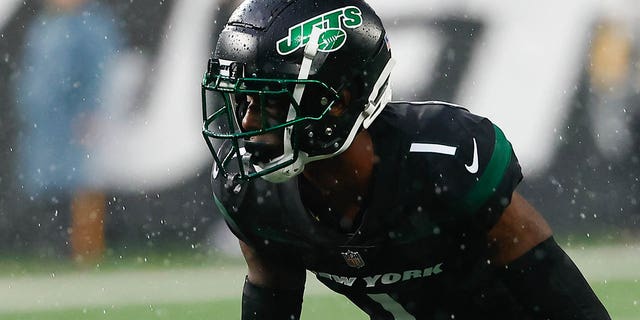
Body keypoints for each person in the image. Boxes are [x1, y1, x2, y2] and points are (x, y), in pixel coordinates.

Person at [200, 0, 611, 318]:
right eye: (243, 99)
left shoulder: (439, 159)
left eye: (270, 101)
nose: (249, 120)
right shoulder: (253, 192)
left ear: (339, 102)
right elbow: (273, 293)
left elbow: (559, 294)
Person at [14, 0, 122, 263]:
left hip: (77, 121)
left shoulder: (92, 25)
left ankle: (87, 250)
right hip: (46, 124)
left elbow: (101, 72)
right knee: (52, 185)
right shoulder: (45, 25)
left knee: (84, 183)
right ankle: (54, 248)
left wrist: (92, 111)